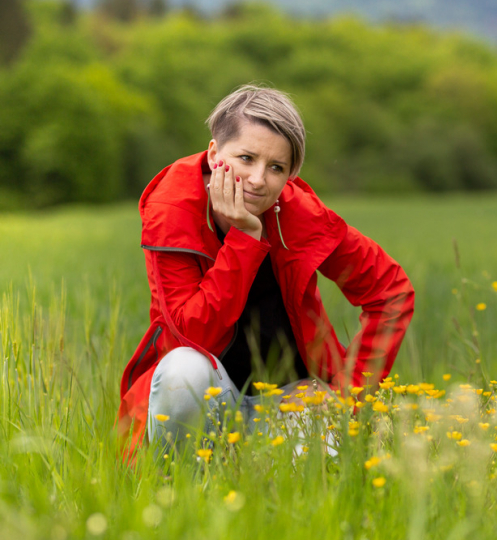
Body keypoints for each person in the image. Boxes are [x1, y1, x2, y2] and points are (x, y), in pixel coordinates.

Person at [117, 84, 415, 458]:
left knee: (320, 477)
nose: (259, 179)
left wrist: (347, 395)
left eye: (276, 167)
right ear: (213, 154)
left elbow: (391, 291)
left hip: (292, 399)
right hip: (210, 398)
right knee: (182, 370)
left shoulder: (299, 214)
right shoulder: (174, 212)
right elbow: (193, 336)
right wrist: (244, 239)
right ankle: (180, 487)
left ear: (290, 174)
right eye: (246, 158)